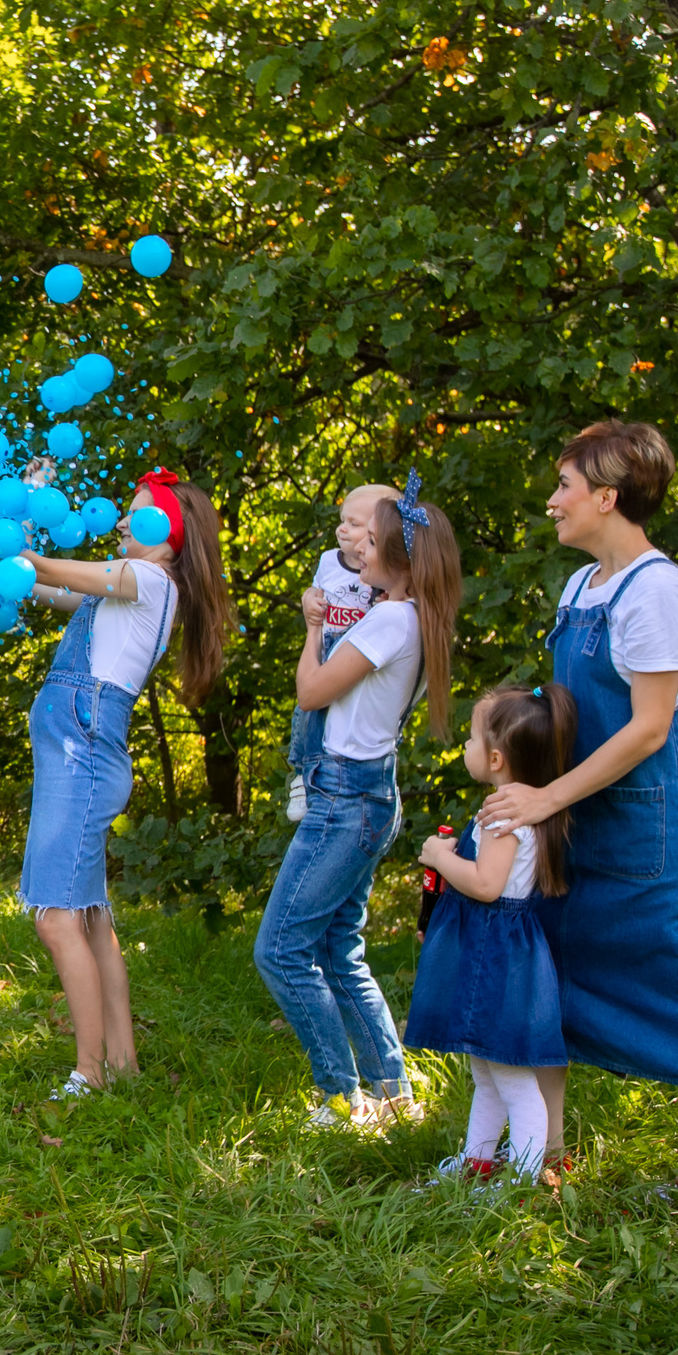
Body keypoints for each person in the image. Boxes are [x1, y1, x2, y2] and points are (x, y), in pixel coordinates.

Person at [0, 468, 232, 1099]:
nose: (126, 521)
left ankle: (90, 1071)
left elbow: (46, 567)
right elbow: (31, 577)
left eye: (142, 515)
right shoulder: (118, 591)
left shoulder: (147, 581)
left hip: (84, 750)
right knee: (91, 918)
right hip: (77, 751)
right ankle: (122, 1062)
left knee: (55, 916)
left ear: (173, 534)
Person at [481, 421, 678, 1184]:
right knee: (555, 975)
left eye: (565, 485)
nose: (553, 500)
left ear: (607, 494)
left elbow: (650, 727)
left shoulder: (656, 590)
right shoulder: (581, 586)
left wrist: (545, 799)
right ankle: (546, 1153)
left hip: (656, 823)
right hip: (581, 818)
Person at [255, 472, 460, 1130]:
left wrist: (313, 629)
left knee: (282, 948)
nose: (359, 551)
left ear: (398, 556)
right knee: (339, 948)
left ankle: (343, 1096)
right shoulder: (405, 617)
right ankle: (394, 1092)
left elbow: (312, 691)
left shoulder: (390, 621)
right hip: (362, 792)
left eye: (370, 541)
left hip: (346, 797)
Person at [408, 683, 578, 1183]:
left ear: (498, 758)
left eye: (471, 738)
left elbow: (486, 886)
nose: (465, 746)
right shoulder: (511, 810)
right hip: (493, 947)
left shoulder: (502, 818)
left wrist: (442, 857)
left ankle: (525, 1180)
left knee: (509, 1072)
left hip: (496, 952)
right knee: (486, 1068)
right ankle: (478, 1161)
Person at [284, 484, 399, 823]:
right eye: (341, 520)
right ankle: (301, 774)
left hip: (354, 650)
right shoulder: (328, 561)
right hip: (325, 646)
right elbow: (315, 591)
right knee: (306, 715)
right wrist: (308, 601)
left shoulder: (379, 572)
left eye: (354, 523)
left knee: (338, 716)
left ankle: (317, 775)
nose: (342, 529)